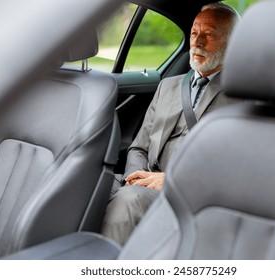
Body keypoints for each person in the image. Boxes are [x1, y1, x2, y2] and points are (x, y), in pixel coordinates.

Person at [101, 3, 239, 246]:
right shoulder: (169, 86)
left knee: (128, 200)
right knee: (90, 185)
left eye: (210, 34)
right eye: (195, 33)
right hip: (145, 179)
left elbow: (234, 165)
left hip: (190, 191)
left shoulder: (242, 96)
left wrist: (172, 180)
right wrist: (134, 175)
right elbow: (139, 148)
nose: (198, 42)